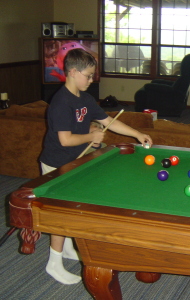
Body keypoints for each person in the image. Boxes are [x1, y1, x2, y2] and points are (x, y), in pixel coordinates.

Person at [39, 48, 153, 284]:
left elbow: (109, 121)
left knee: (72, 207)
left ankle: (68, 248)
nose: (92, 80)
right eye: (88, 75)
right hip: (56, 164)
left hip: (75, 161)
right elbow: (65, 140)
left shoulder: (86, 99)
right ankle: (54, 262)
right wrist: (90, 137)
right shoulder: (61, 102)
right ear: (72, 72)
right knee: (60, 214)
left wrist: (137, 134)